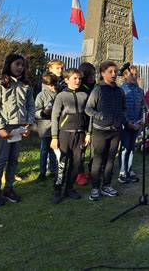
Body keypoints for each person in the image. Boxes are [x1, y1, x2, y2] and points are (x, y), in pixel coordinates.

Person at [0, 54, 35, 207]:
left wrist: (28, 124)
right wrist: (0, 127)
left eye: (22, 65)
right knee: (2, 159)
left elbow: (30, 106)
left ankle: (9, 188)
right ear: (9, 65)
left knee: (14, 160)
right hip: (5, 128)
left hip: (19, 127)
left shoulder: (26, 85)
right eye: (17, 64)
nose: (20, 67)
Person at [85, 61, 126, 201]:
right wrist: (100, 116)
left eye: (115, 71)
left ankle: (107, 185)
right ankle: (95, 188)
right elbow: (88, 108)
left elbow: (124, 108)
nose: (114, 74)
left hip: (115, 131)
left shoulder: (120, 91)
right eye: (110, 71)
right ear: (103, 74)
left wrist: (121, 118)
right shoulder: (98, 90)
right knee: (97, 160)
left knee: (110, 159)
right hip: (100, 131)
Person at [50, 68, 90, 204]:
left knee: (76, 162)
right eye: (75, 78)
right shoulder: (61, 96)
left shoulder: (84, 95)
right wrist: (54, 137)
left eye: (79, 78)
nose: (78, 80)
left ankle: (69, 188)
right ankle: (57, 189)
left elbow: (88, 116)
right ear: (67, 80)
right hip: (64, 134)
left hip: (80, 134)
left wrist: (88, 133)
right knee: (61, 163)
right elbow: (54, 116)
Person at [118, 65, 144, 183]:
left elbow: (141, 107)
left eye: (136, 74)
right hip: (126, 124)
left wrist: (141, 120)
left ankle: (130, 169)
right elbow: (121, 109)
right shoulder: (121, 90)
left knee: (132, 148)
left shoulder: (139, 91)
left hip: (136, 123)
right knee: (125, 148)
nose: (134, 77)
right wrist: (127, 122)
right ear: (125, 76)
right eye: (131, 74)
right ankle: (122, 171)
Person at [34, 71, 58, 183]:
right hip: (44, 127)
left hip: (56, 126)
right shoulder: (41, 95)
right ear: (46, 84)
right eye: (51, 85)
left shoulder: (59, 93)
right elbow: (35, 111)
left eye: (54, 84)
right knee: (44, 150)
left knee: (54, 149)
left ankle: (53, 170)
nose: (53, 87)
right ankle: (42, 172)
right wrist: (44, 112)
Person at [76, 62, 96, 185]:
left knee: (95, 150)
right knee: (81, 151)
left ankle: (92, 171)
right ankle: (80, 173)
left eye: (94, 74)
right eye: (90, 75)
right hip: (82, 124)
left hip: (94, 123)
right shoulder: (79, 89)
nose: (92, 77)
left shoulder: (96, 87)